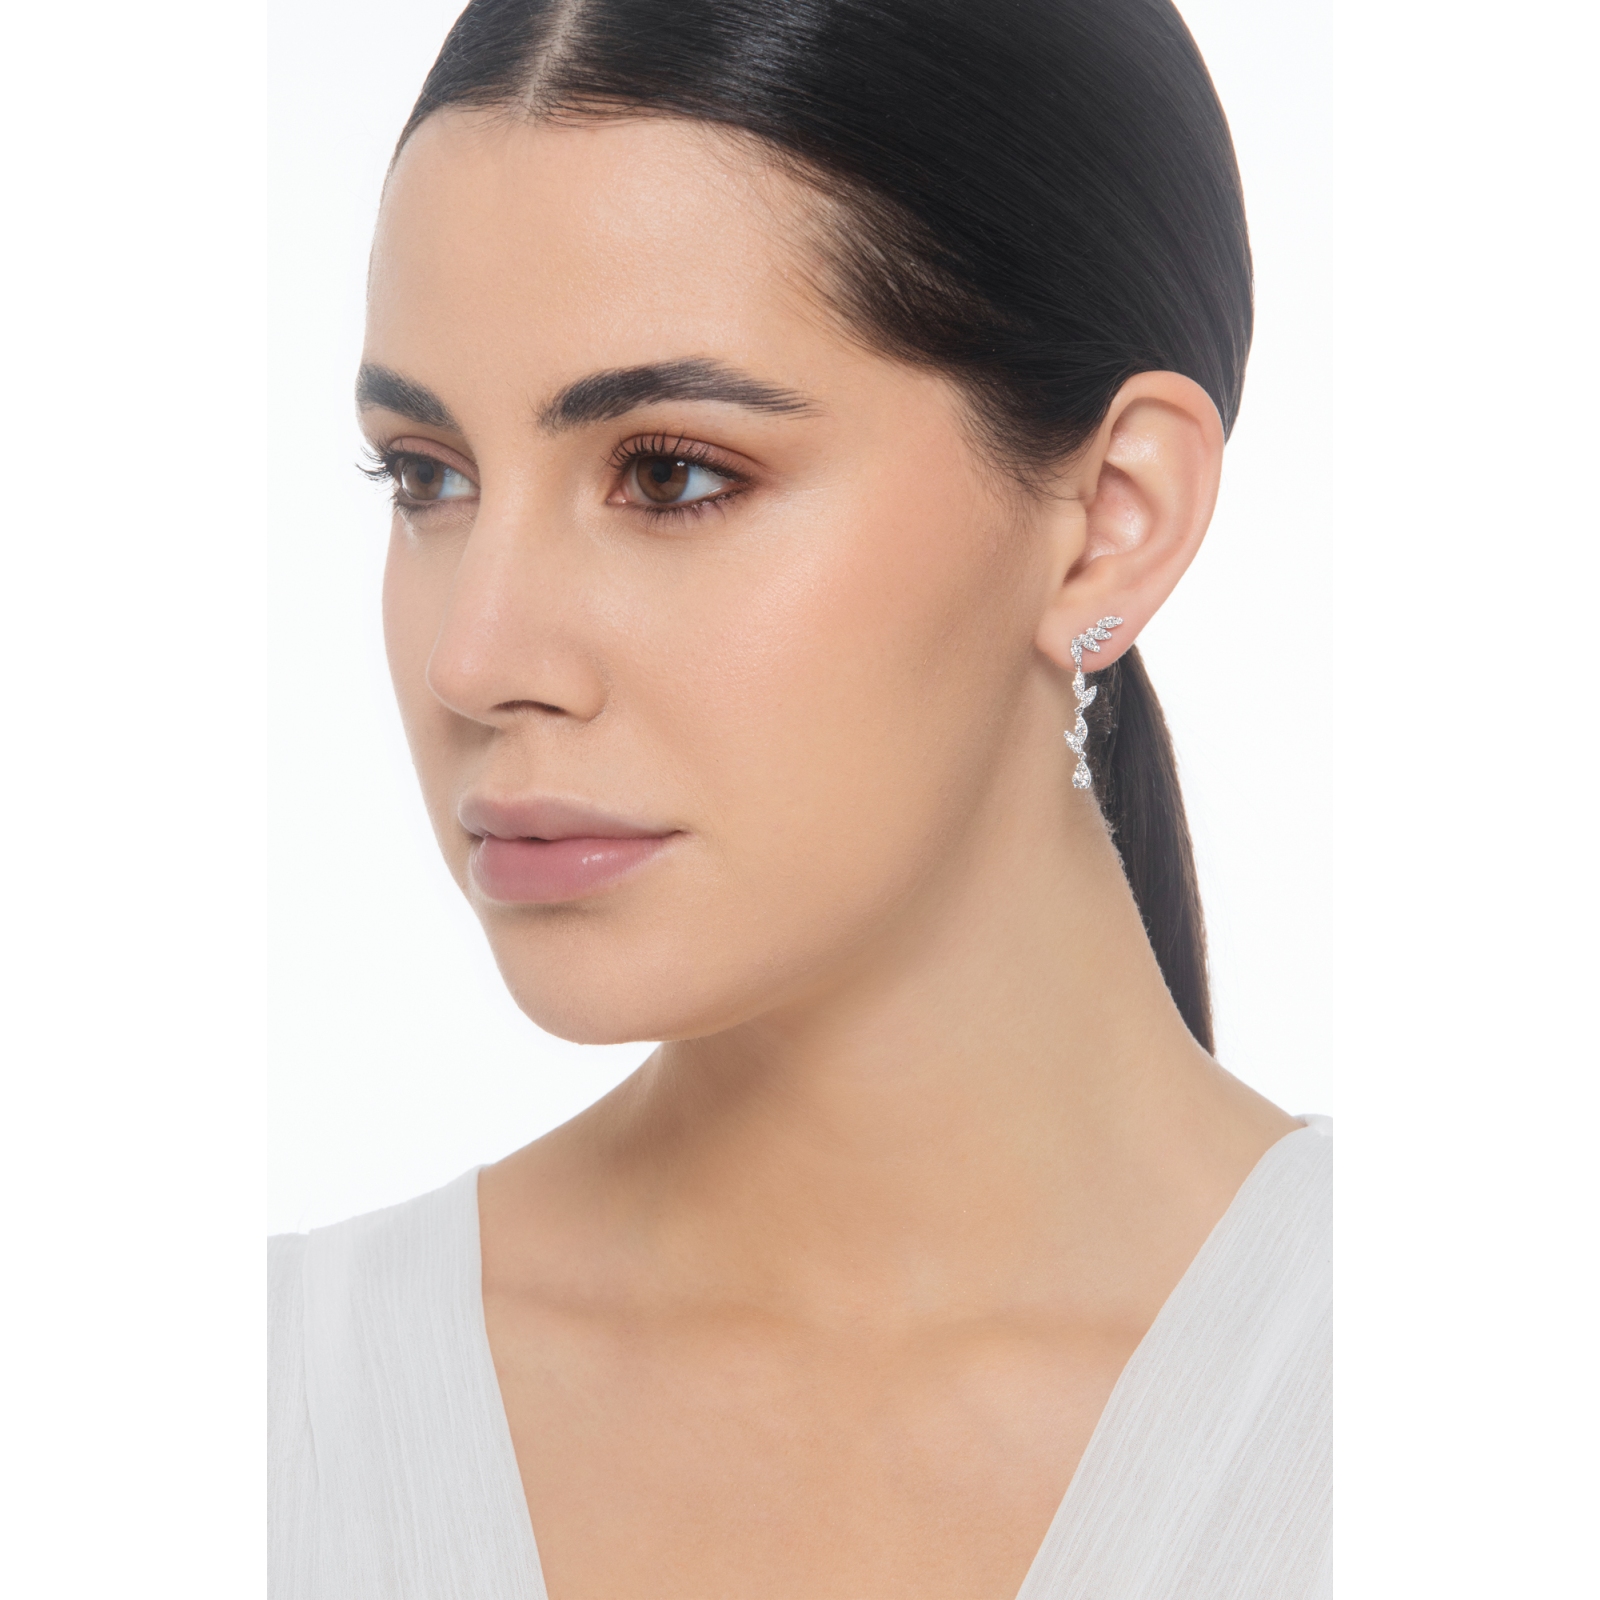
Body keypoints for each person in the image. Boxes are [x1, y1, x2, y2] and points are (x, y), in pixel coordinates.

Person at [269, 0, 1331, 1595]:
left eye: (672, 474)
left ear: (1112, 519)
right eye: (429, 474)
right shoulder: (243, 1417)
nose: (474, 660)